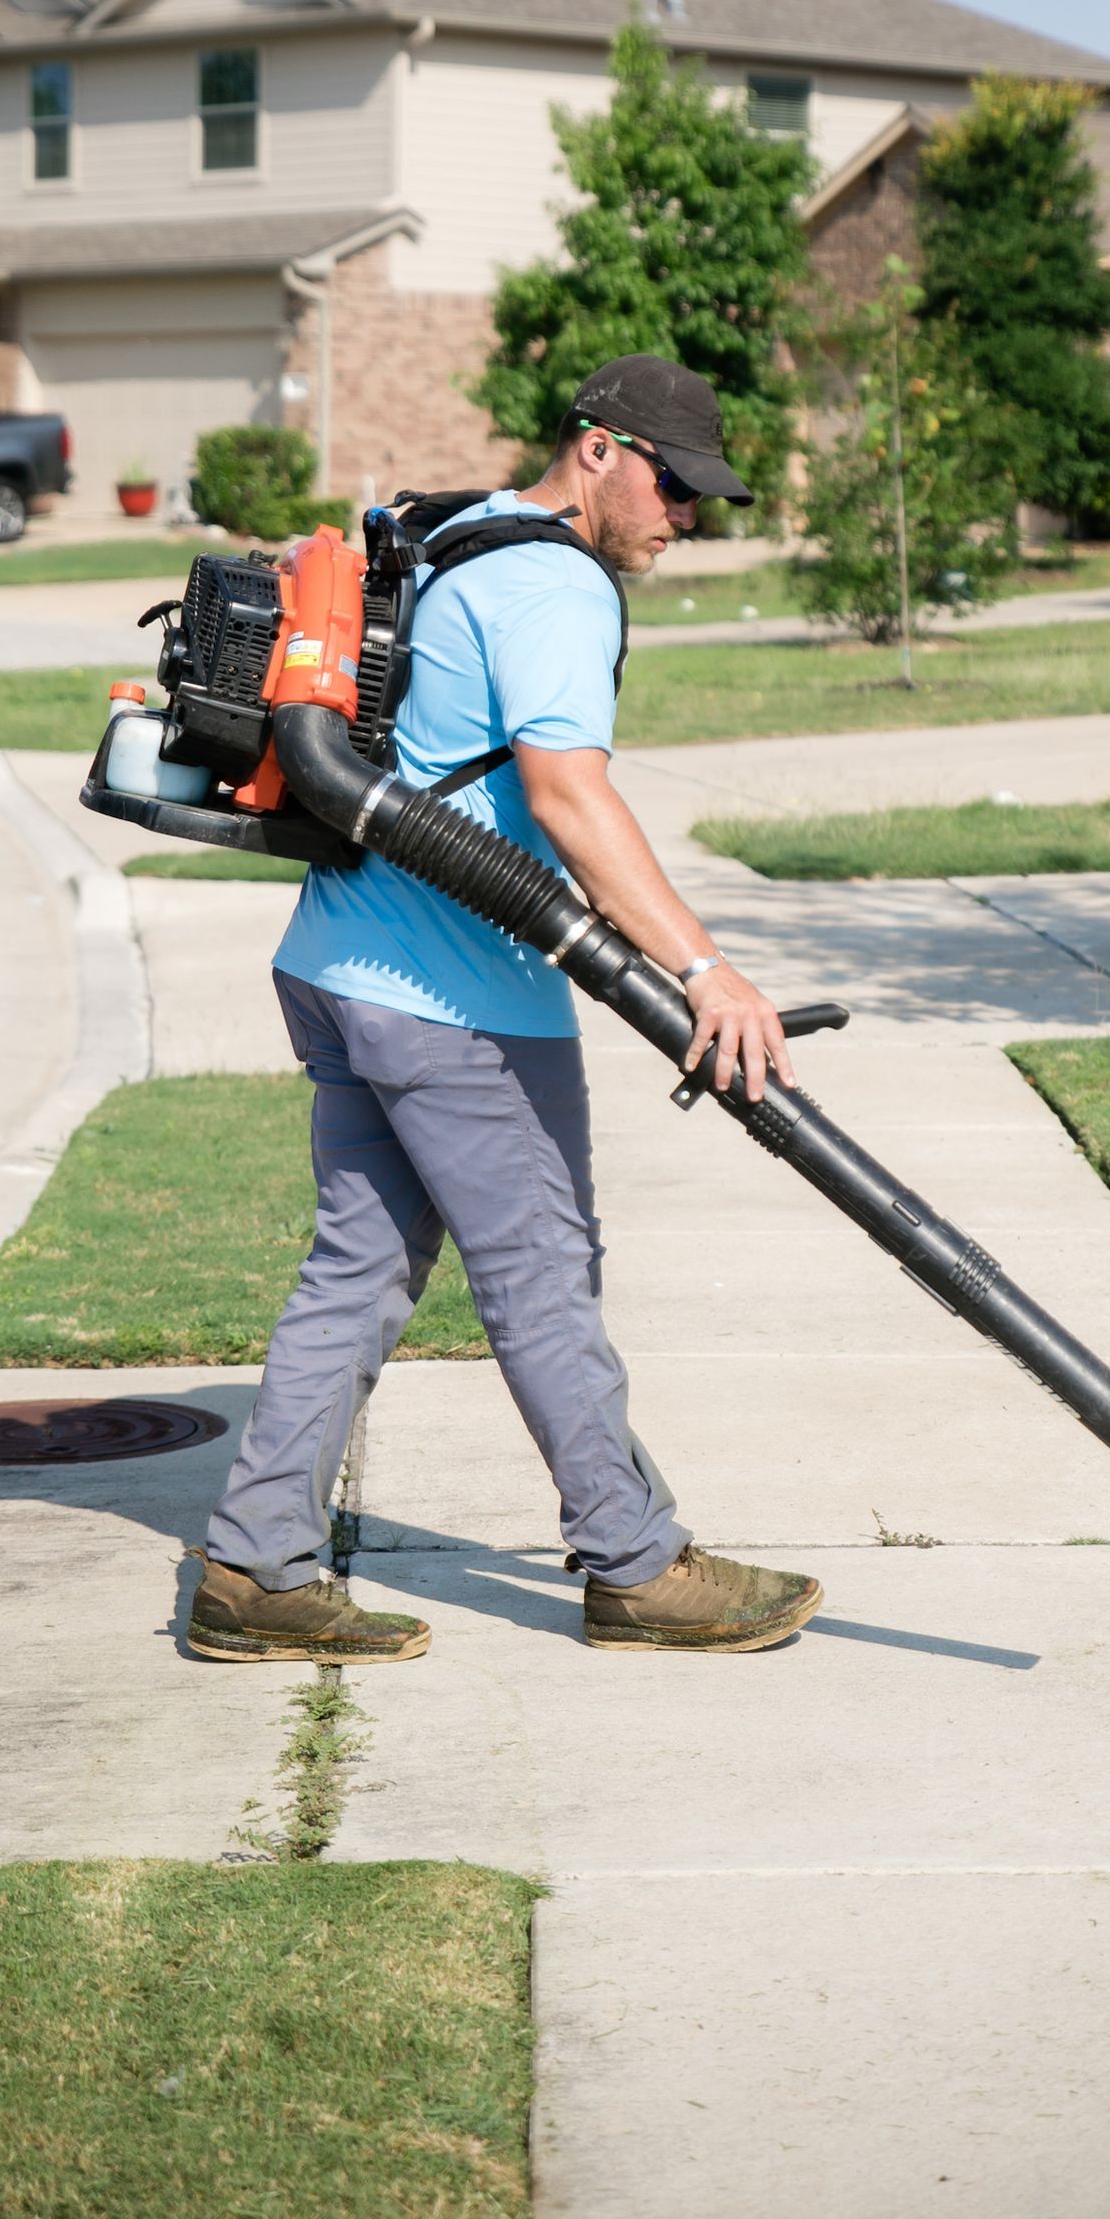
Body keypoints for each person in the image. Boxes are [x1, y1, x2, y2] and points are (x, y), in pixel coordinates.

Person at [188, 355, 823, 1663]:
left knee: (357, 1274)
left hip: (342, 963)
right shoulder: (552, 584)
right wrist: (708, 971)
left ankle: (253, 1572)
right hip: (455, 997)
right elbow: (571, 794)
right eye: (675, 485)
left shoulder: (470, 534)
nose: (686, 518)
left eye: (703, 500)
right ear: (597, 449)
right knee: (542, 1277)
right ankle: (638, 1568)